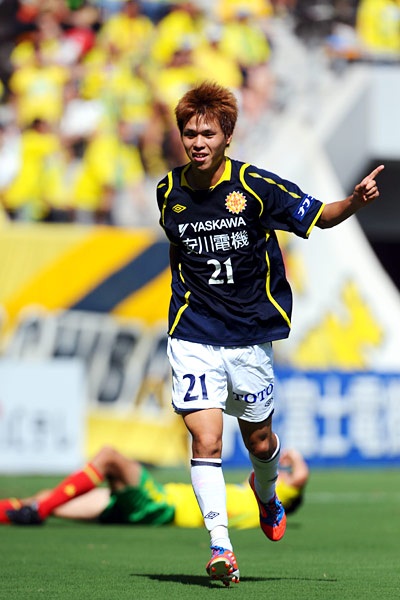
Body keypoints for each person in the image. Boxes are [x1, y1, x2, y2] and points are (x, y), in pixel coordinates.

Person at [155, 80, 384, 586]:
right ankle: (221, 547)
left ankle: (266, 492)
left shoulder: (255, 186)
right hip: (191, 333)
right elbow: (181, 255)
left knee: (259, 442)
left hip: (250, 338)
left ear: (227, 137)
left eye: (207, 134)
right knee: (205, 438)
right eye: (190, 133)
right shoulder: (168, 192)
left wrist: (354, 201)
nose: (197, 142)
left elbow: (318, 217)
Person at [1, 446, 309, 530]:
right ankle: (30, 511)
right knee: (49, 500)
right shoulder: (247, 494)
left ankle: (38, 511)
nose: (276, 476)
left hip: (160, 505)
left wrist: (288, 454)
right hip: (147, 508)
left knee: (109, 456)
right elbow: (257, 477)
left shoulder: (274, 501)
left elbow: (300, 475)